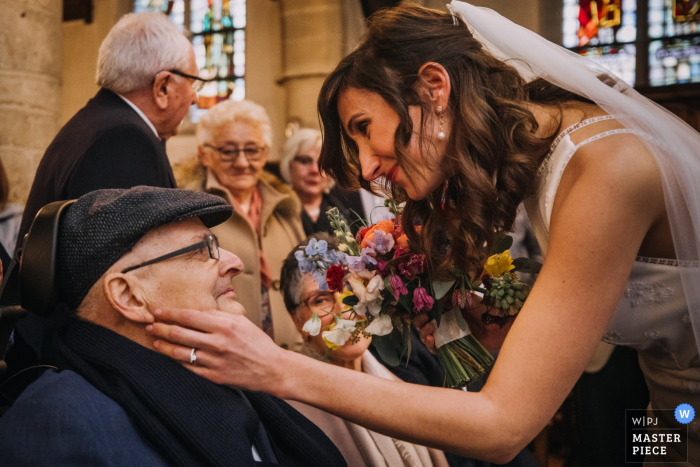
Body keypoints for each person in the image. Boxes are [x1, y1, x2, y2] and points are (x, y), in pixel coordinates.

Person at [145, 2, 700, 465]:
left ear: (435, 86)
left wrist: (274, 368)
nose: (364, 169)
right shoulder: (546, 160)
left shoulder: (609, 168)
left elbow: (503, 427)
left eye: (364, 128)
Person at [0, 186, 347, 467]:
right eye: (202, 249)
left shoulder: (226, 373)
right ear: (129, 296)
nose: (235, 263)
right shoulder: (61, 419)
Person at [9, 11, 202, 378]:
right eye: (193, 83)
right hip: (90, 368)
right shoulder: (125, 140)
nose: (194, 97)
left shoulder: (95, 122)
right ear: (162, 87)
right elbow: (129, 275)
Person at [280, 234, 450, 467]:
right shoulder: (295, 418)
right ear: (298, 322)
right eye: (321, 299)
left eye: (351, 287)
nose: (346, 310)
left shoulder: (399, 384)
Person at [192, 99, 305, 350]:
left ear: (265, 154)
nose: (242, 162)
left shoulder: (285, 208)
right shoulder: (190, 213)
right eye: (228, 151)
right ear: (205, 154)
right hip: (225, 359)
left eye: (252, 150)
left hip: (295, 359)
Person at [280, 128, 365, 235]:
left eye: (323, 163)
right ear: (289, 164)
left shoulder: (348, 210)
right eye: (305, 161)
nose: (315, 170)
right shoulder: (278, 211)